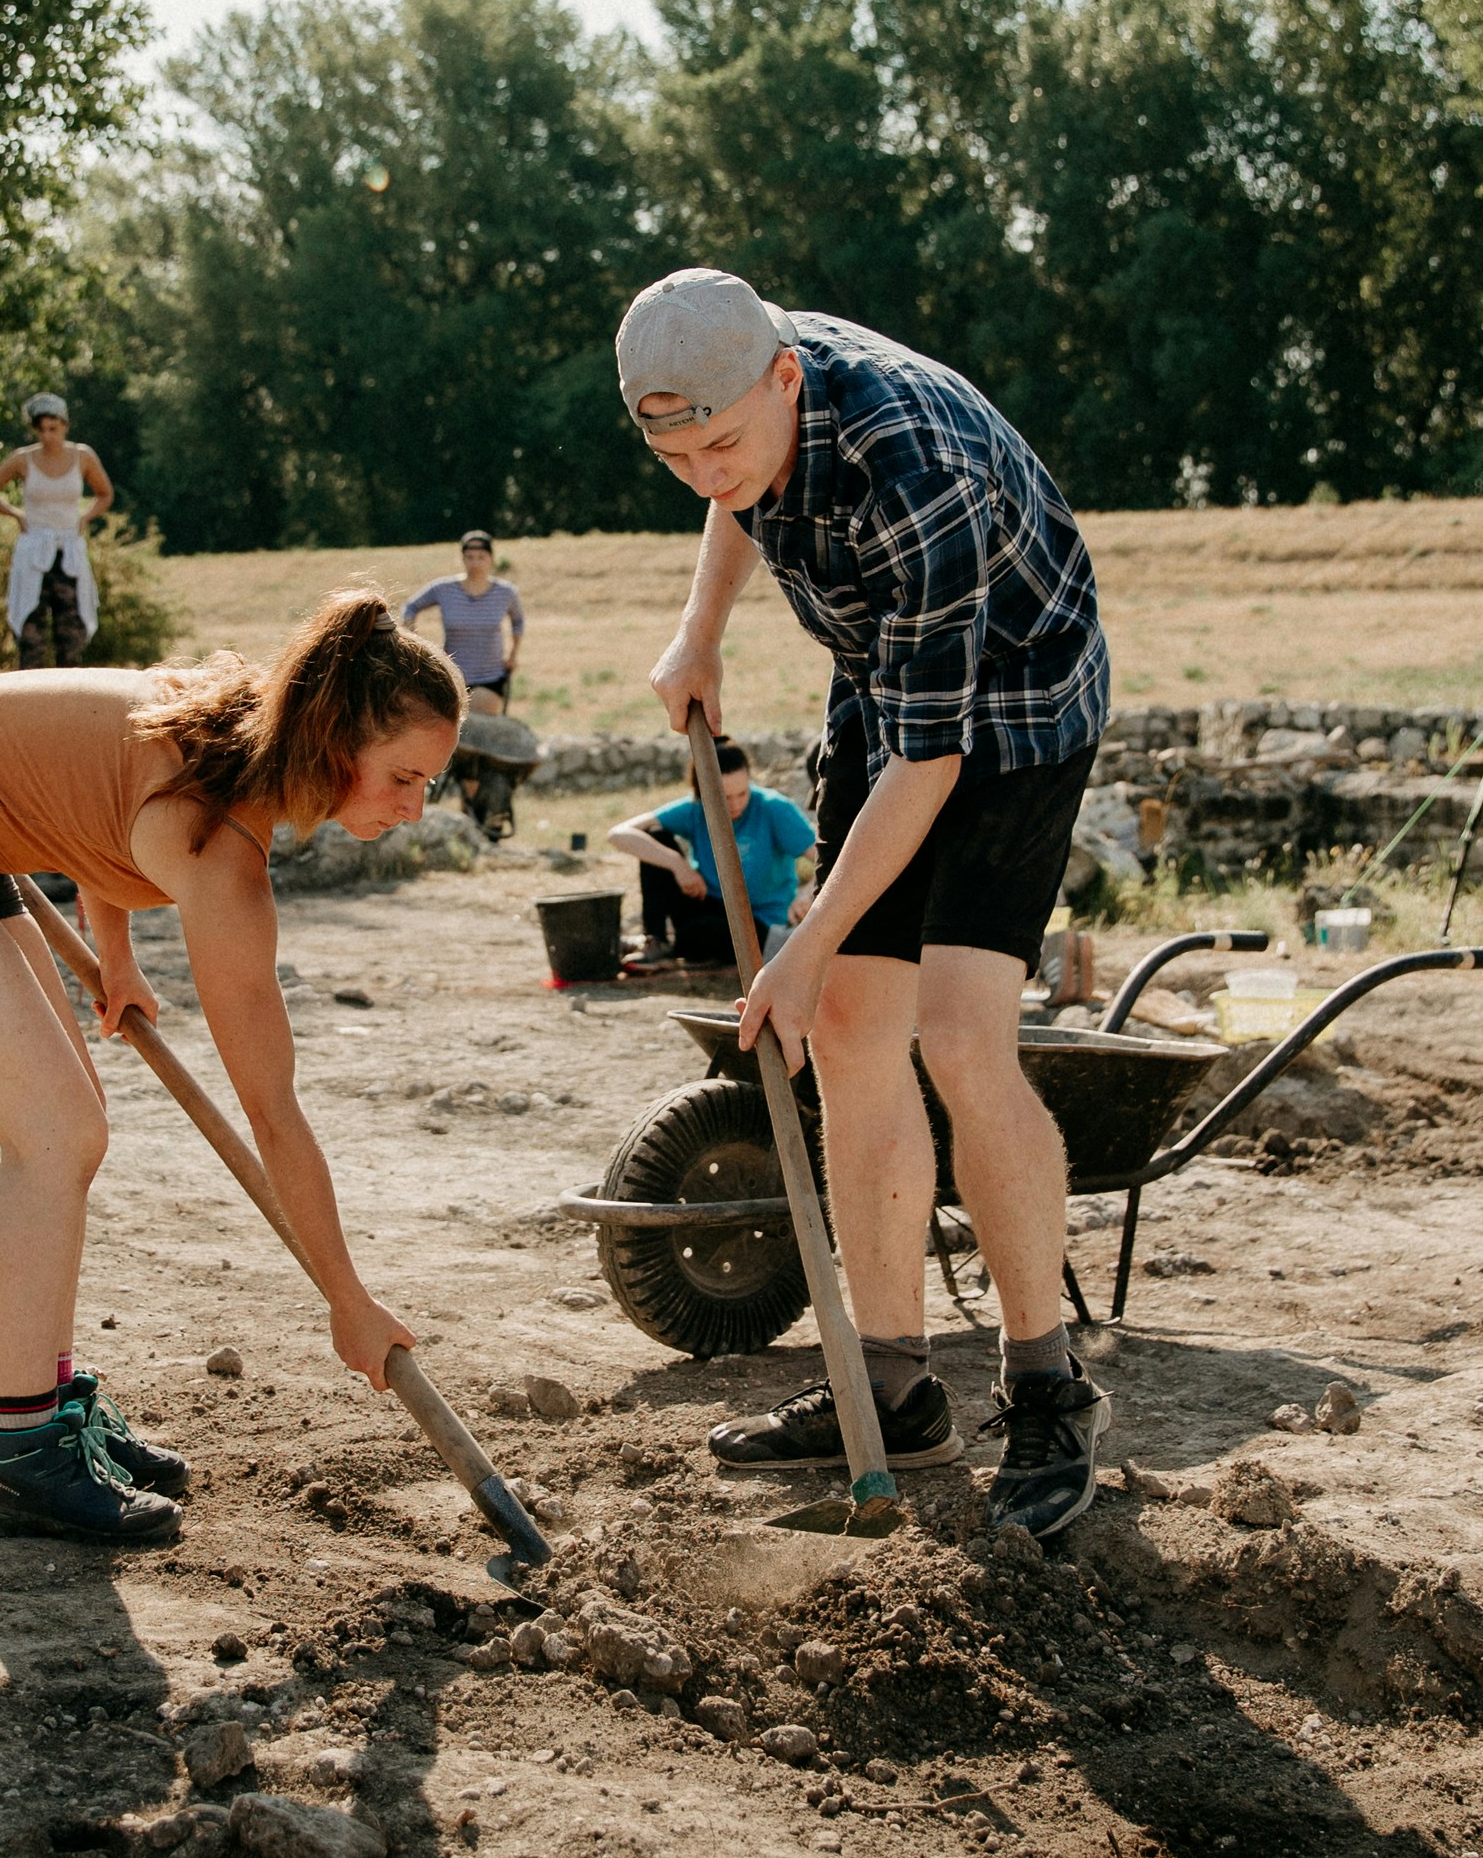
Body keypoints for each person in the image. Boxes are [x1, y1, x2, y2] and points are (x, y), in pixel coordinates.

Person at [0, 590, 461, 1543]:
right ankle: (23, 1456)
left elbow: (98, 800)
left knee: (72, 1129)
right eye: (403, 777)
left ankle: (52, 1405)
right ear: (331, 740)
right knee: (55, 1136)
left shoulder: (236, 729)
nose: (414, 807)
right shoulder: (217, 850)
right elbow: (271, 1113)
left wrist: (119, 955)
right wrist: (348, 1301)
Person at [620, 266, 1115, 1540]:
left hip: (1019, 702)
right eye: (676, 457)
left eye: (723, 444)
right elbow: (738, 496)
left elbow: (934, 764)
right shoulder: (739, 402)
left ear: (785, 378)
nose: (706, 473)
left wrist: (803, 943)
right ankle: (894, 1390)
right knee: (849, 1029)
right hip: (892, 686)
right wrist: (702, 630)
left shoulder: (913, 468)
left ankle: (1048, 1389)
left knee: (959, 1037)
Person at [607, 737, 815, 968]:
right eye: (725, 797)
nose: (736, 805)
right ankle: (656, 940)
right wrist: (677, 864)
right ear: (704, 792)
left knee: (706, 934)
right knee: (655, 837)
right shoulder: (695, 808)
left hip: (758, 919)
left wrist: (806, 894)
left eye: (742, 794)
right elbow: (618, 834)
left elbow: (825, 859)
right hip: (710, 903)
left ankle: (680, 948)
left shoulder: (773, 807)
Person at [0, 394, 114, 669]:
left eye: (53, 428)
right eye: (41, 430)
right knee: (31, 639)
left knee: (71, 639)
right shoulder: (23, 459)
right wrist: (15, 514)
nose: (48, 436)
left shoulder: (82, 456)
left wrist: (85, 517)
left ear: (65, 426)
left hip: (68, 552)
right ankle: (31, 693)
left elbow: (105, 494)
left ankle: (70, 693)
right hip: (34, 551)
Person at [402, 531, 525, 714]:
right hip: (451, 676)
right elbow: (410, 607)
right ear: (462, 559)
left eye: (481, 557)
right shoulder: (444, 589)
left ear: (491, 559)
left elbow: (518, 621)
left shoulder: (506, 592)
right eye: (470, 557)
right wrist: (415, 644)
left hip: (490, 676)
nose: (475, 563)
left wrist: (513, 654)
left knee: (477, 720)